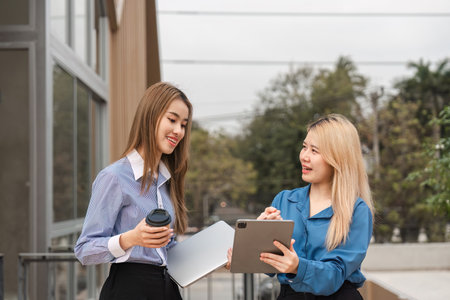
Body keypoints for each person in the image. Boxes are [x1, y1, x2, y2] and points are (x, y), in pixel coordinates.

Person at [229, 114, 374, 300]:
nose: (304, 156)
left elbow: (335, 275)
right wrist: (248, 249)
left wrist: (297, 266)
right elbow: (268, 266)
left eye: (314, 151)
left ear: (338, 158)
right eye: (304, 147)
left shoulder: (357, 210)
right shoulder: (284, 200)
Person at [75, 82, 192, 300]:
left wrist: (215, 255)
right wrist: (132, 238)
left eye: (184, 124)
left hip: (167, 287)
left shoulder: (167, 180)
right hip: (128, 288)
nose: (179, 131)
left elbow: (165, 246)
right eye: (172, 120)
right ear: (150, 116)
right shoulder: (115, 177)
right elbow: (84, 250)